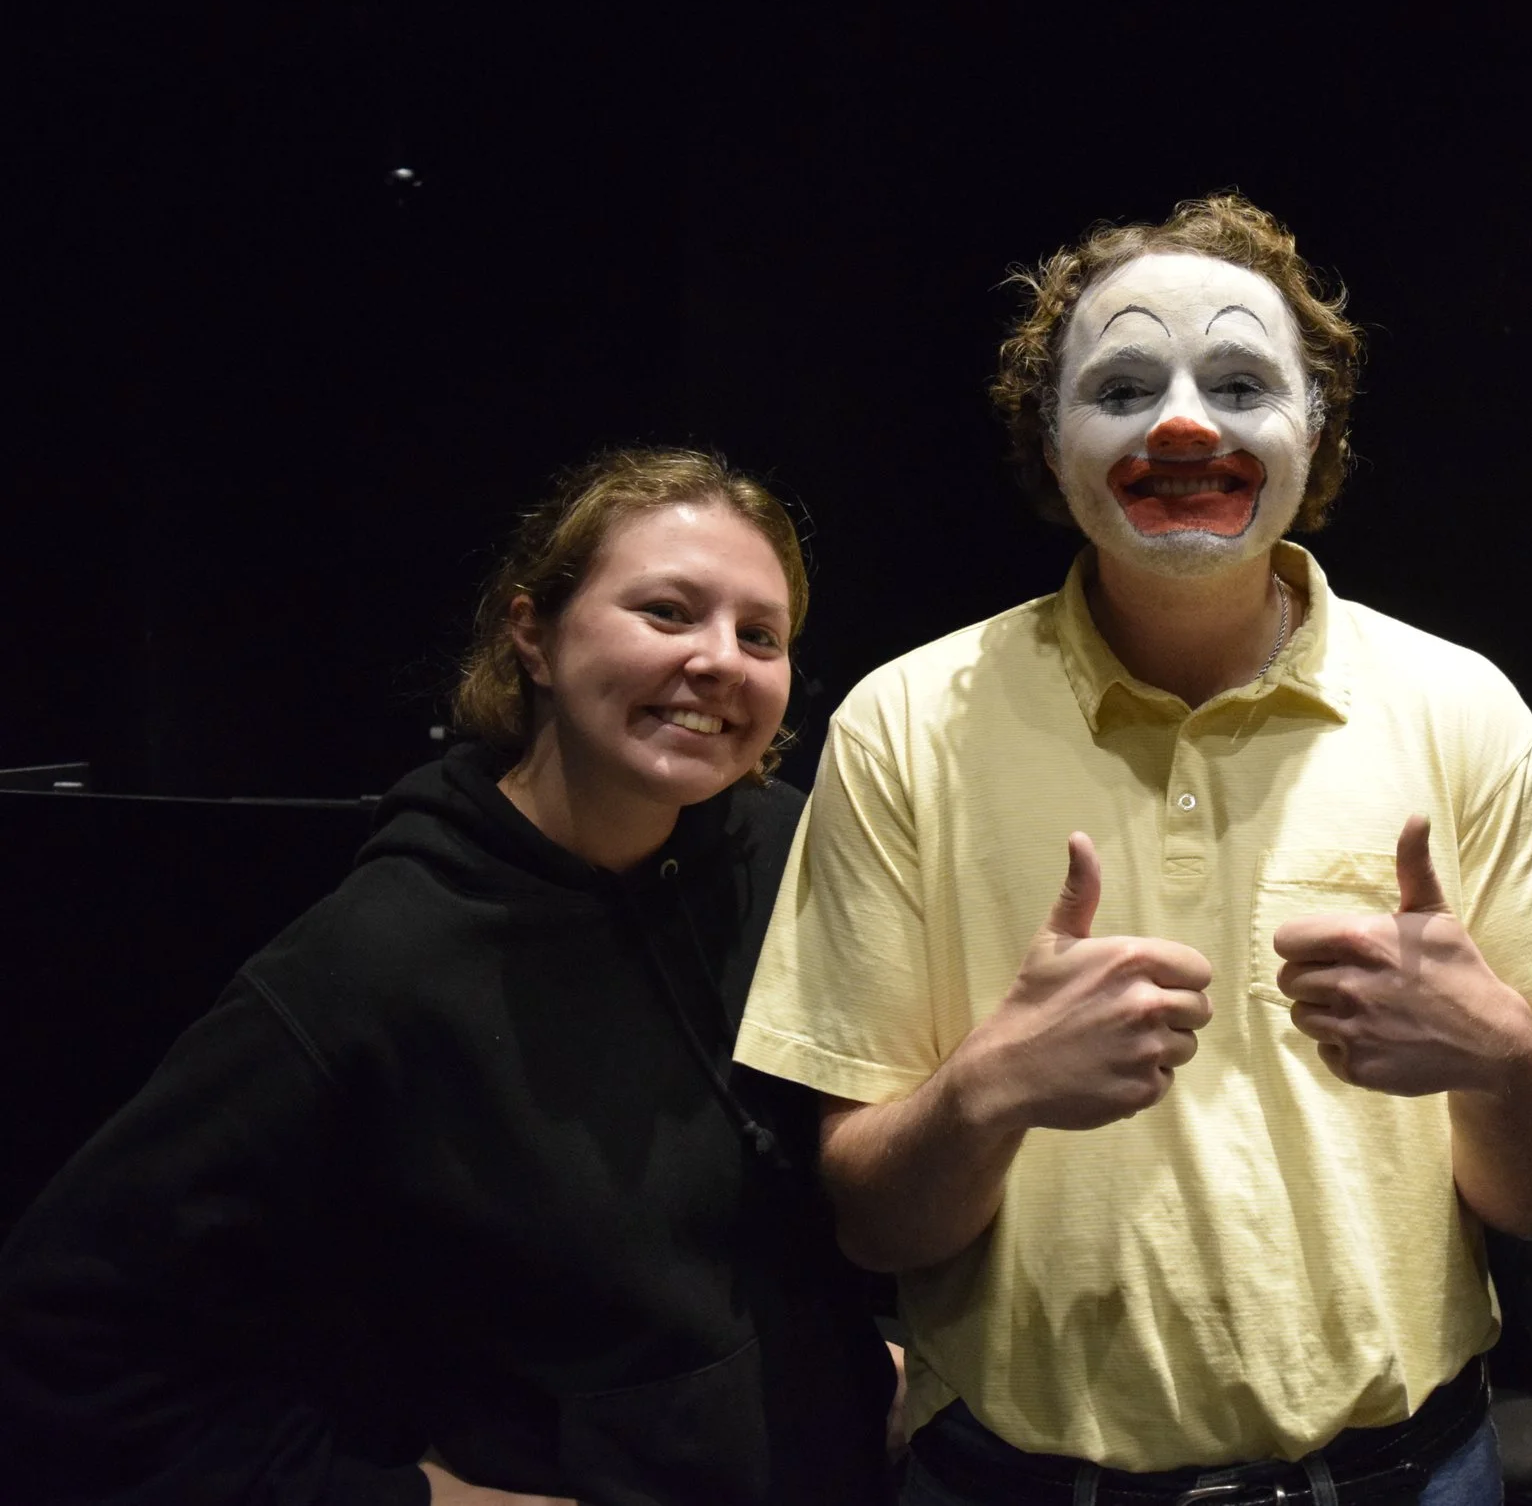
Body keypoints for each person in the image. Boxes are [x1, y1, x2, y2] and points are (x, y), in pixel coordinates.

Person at [733, 194, 1532, 1505]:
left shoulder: (1460, 712)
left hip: (1406, 1475)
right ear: (1050, 443)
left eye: (1238, 381)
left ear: (1313, 431)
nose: (1183, 423)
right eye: (1122, 386)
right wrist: (992, 1085)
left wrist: (1496, 1057)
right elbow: (875, 1222)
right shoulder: (904, 726)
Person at [0, 449, 896, 1504]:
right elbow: (62, 1334)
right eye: (667, 612)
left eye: (760, 635)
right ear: (534, 635)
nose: (719, 661)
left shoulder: (789, 854)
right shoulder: (372, 965)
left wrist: (839, 1370)